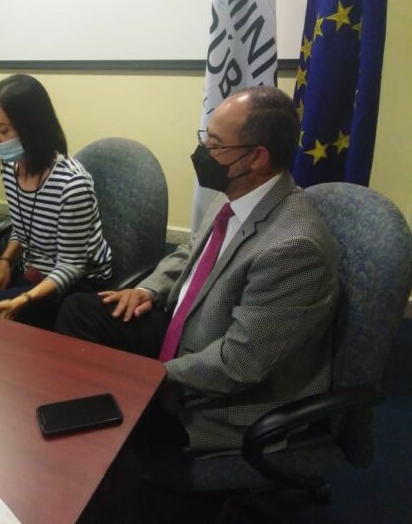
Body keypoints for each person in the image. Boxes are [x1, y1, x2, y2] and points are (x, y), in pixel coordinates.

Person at [56, 86, 339, 458]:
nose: (203, 151)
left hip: (224, 396)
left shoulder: (294, 247)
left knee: (122, 431)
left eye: (215, 144)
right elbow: (193, 250)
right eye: (206, 137)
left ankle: (103, 450)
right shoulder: (237, 190)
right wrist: (148, 290)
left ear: (257, 157)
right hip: (190, 327)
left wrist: (146, 375)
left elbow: (239, 363)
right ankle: (84, 420)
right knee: (81, 311)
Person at [0, 74, 112, 329]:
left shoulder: (72, 184)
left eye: (3, 130)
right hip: (36, 272)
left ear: (32, 128)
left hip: (77, 284)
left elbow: (71, 266)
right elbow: (23, 227)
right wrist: (5, 261)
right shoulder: (11, 166)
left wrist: (24, 300)